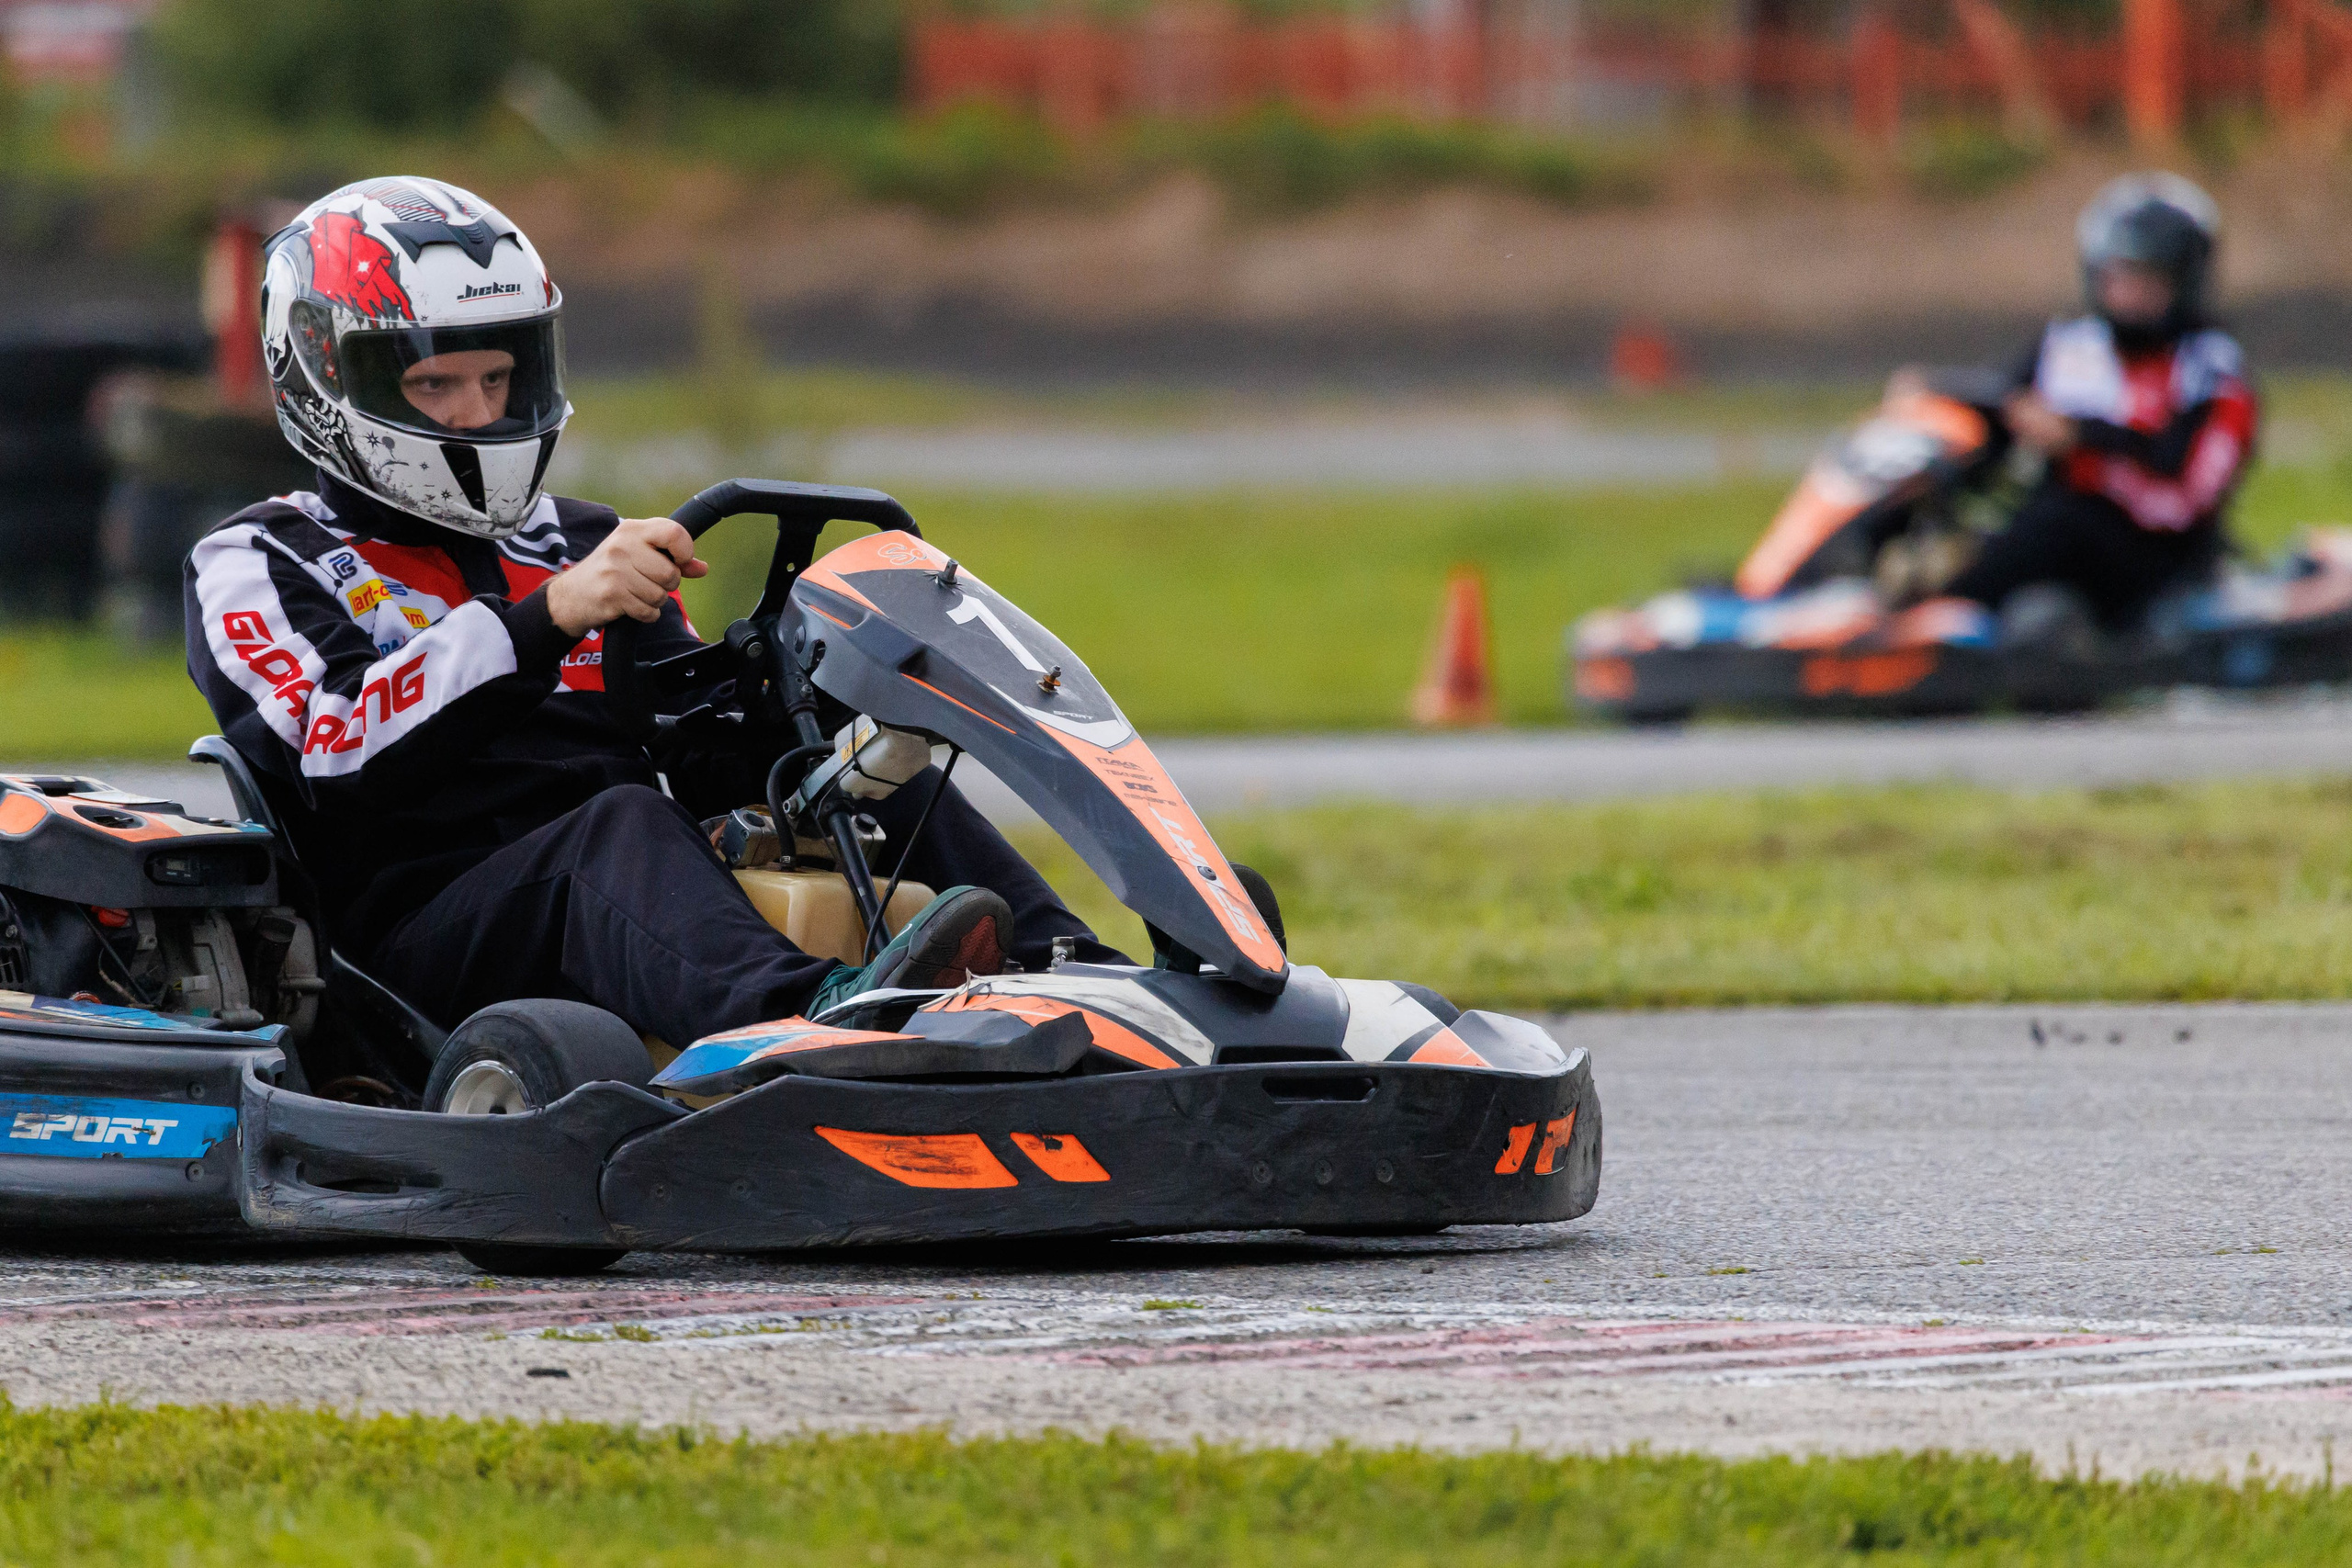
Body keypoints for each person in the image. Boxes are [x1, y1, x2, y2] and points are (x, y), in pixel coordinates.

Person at [185, 176, 1121, 1053]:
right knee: (617, 824)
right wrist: (547, 618)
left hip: (626, 894)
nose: (477, 412)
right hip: (414, 942)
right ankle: (817, 1021)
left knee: (867, 762)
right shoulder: (259, 558)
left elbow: (698, 750)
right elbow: (331, 750)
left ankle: (1087, 982)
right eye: (436, 385)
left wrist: (796, 689)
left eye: (496, 379)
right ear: (328, 379)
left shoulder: (577, 538)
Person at [1939, 172, 2258, 634]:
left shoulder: (2210, 369)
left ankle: (1940, 617)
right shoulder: (2067, 348)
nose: (2127, 294)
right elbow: (2000, 411)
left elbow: (2186, 497)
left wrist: (2081, 438)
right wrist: (1936, 405)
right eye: (2118, 277)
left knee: (2064, 520)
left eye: (2146, 280)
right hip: (2054, 540)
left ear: (2183, 281)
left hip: (2155, 563)